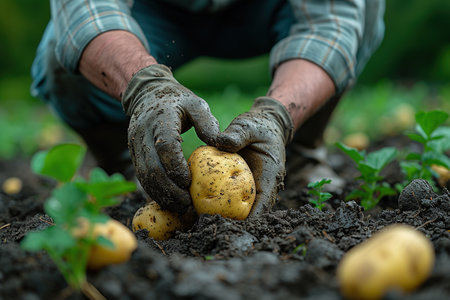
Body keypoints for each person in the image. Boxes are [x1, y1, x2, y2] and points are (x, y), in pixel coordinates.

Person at [31, 0, 385, 217]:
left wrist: (279, 115)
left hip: (267, 8)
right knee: (59, 52)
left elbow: (331, 22)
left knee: (365, 7)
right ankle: (130, 164)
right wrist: (146, 87)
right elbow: (85, 9)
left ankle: (299, 153)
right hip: (153, 10)